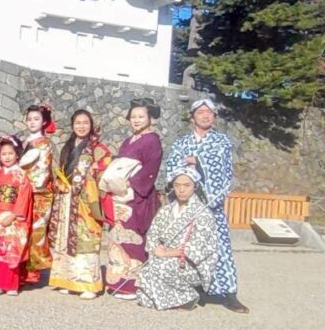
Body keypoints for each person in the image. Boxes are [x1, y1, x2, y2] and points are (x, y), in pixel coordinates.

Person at [165, 98, 248, 313]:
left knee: (220, 248)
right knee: (186, 248)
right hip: (189, 205)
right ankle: (188, 292)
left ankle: (229, 294)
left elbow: (224, 171)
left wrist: (197, 160)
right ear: (193, 117)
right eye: (201, 112)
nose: (205, 115)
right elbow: (173, 166)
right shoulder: (182, 143)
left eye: (209, 112)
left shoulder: (222, 142)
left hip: (211, 204)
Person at [136, 166, 220, 310]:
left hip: (189, 263)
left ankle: (188, 297)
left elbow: (200, 247)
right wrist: (156, 248)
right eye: (177, 185)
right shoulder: (167, 210)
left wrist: (168, 253)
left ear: (195, 186)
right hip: (164, 256)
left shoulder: (203, 213)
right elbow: (153, 234)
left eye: (187, 185)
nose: (181, 190)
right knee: (145, 277)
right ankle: (172, 298)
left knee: (159, 268)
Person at [104, 97, 164, 300]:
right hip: (119, 194)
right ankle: (117, 282)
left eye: (141, 116)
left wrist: (131, 184)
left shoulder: (152, 140)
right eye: (133, 117)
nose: (136, 120)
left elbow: (151, 169)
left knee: (134, 238)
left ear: (150, 118)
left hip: (136, 196)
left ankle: (131, 285)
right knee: (117, 237)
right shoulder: (129, 141)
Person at [48, 109, 111, 299]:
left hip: (85, 201)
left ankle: (87, 284)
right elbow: (60, 170)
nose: (81, 126)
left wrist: (95, 170)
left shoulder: (97, 147)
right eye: (78, 123)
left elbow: (106, 166)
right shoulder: (68, 146)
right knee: (64, 238)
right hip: (67, 198)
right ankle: (67, 279)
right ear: (73, 125)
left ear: (91, 125)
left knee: (85, 240)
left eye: (85, 123)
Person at [0, 135, 33, 296]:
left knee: (10, 251)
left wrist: (12, 216)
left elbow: (23, 198)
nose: (7, 157)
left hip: (12, 219)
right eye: (4, 154)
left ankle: (11, 284)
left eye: (11, 153)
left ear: (17, 154)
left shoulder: (21, 176)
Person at [18, 104, 56, 286]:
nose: (32, 122)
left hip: (38, 192)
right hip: (24, 190)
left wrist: (29, 185)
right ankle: (21, 266)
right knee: (23, 229)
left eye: (36, 119)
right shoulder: (26, 141)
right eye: (30, 119)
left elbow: (42, 169)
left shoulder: (44, 143)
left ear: (44, 122)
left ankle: (33, 271)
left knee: (36, 231)